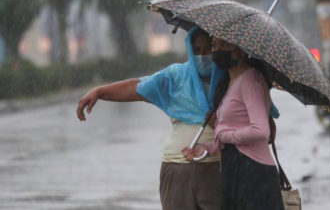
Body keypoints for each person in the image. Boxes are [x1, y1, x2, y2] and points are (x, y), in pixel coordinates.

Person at [77, 27, 225, 210]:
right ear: (189, 50)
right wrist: (100, 92)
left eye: (208, 49)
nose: (202, 56)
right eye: (196, 50)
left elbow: (255, 122)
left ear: (217, 47)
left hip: (217, 167)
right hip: (177, 167)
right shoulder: (176, 76)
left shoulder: (230, 78)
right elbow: (137, 87)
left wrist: (221, 123)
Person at [182, 37, 284, 210]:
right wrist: (207, 148)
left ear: (242, 51)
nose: (217, 50)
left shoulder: (250, 79)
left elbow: (261, 130)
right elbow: (231, 129)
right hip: (234, 170)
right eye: (214, 45)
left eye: (225, 45)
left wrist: (225, 135)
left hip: (253, 172)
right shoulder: (229, 83)